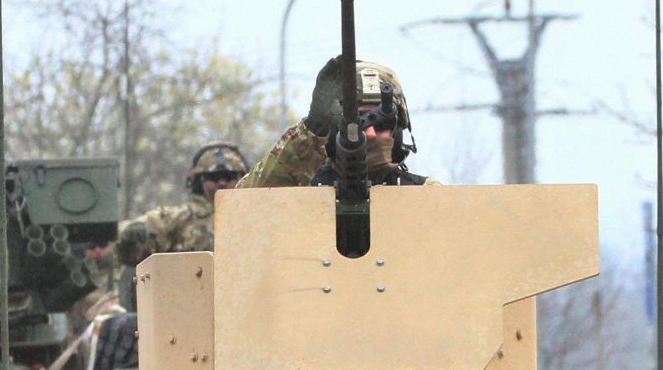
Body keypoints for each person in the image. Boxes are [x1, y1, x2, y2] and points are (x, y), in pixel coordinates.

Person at [241, 58, 431, 189]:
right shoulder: (301, 192)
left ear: (398, 131)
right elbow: (241, 209)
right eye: (360, 123)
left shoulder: (427, 195)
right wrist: (313, 129)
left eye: (384, 124)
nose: (371, 133)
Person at [103, 143, 247, 272]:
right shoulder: (179, 218)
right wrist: (130, 233)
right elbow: (121, 233)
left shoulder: (253, 216)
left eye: (229, 177)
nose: (221, 183)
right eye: (213, 177)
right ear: (199, 181)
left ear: (243, 178)